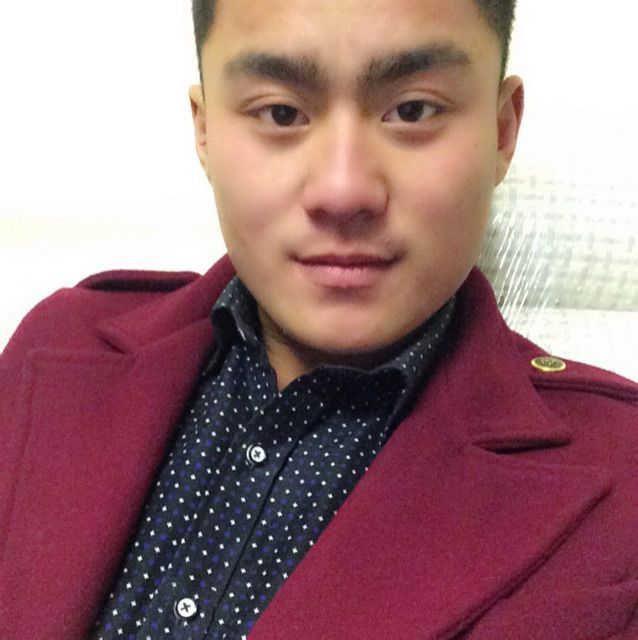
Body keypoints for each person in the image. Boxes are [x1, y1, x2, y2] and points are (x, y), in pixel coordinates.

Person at [1, 0, 637, 638]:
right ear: (205, 129)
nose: (343, 191)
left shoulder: (621, 480)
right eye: (281, 113)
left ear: (501, 131)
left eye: (413, 110)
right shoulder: (54, 349)